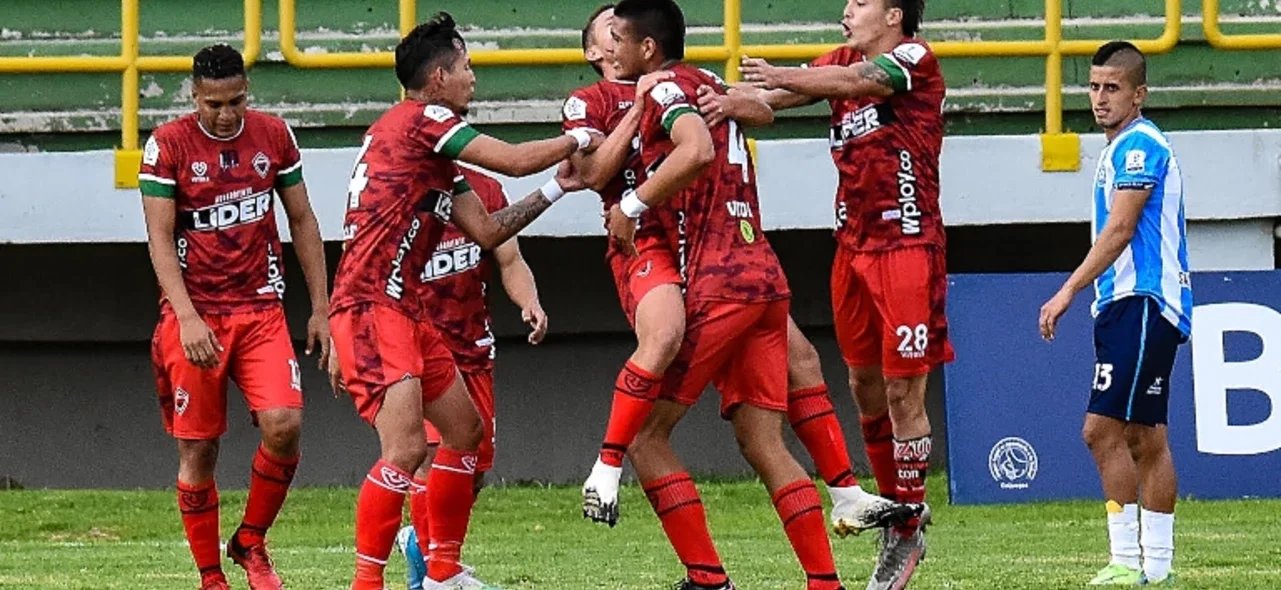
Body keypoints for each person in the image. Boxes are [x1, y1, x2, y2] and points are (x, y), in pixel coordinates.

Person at [572, 2, 911, 538]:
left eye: (622, 31)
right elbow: (589, 172)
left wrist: (721, 106)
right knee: (732, 387)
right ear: (595, 51)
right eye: (607, 33)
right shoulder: (589, 101)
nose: (615, 40)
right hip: (671, 252)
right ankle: (841, 498)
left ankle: (615, 474)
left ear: (645, 45)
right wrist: (641, 118)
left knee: (749, 415)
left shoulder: (681, 84)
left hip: (712, 262)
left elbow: (745, 120)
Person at [326, 12, 595, 590]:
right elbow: (515, 158)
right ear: (440, 77)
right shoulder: (422, 120)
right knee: (401, 451)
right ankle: (366, 582)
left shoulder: (428, 151)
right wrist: (580, 136)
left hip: (404, 309)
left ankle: (442, 573)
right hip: (372, 305)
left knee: (465, 433)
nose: (474, 77)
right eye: (467, 66)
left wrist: (557, 187)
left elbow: (490, 232)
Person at [732, 0, 947, 585]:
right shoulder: (837, 63)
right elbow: (770, 101)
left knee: (905, 393)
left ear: (895, 15)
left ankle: (908, 525)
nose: (846, 10)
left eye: (860, 1)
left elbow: (853, 81)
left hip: (907, 246)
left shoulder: (913, 59)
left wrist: (779, 75)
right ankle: (888, 510)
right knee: (862, 384)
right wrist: (705, 101)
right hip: (851, 248)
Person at [139, 44, 330, 590]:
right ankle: (209, 576)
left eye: (236, 101)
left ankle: (250, 540)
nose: (226, 114)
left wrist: (321, 307)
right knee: (199, 448)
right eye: (214, 104)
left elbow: (303, 219)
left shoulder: (273, 136)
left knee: (285, 425)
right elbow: (158, 237)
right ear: (194, 96)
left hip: (260, 309)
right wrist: (188, 316)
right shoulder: (168, 145)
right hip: (194, 315)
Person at [1038, 40, 1190, 588]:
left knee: (1099, 430)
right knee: (1145, 439)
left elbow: (1121, 229)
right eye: (1094, 86)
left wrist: (1068, 290)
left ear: (1138, 94)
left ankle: (1128, 560)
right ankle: (1159, 568)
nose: (1100, 98)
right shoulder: (1117, 148)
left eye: (1113, 88)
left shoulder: (1138, 146)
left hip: (1143, 301)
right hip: (1128, 303)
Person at [395, 165, 548, 590]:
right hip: (420, 351)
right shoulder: (397, 189)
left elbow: (510, 259)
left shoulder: (484, 191)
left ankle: (425, 548)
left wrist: (529, 302)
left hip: (473, 350)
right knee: (431, 452)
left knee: (473, 470)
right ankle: (434, 570)